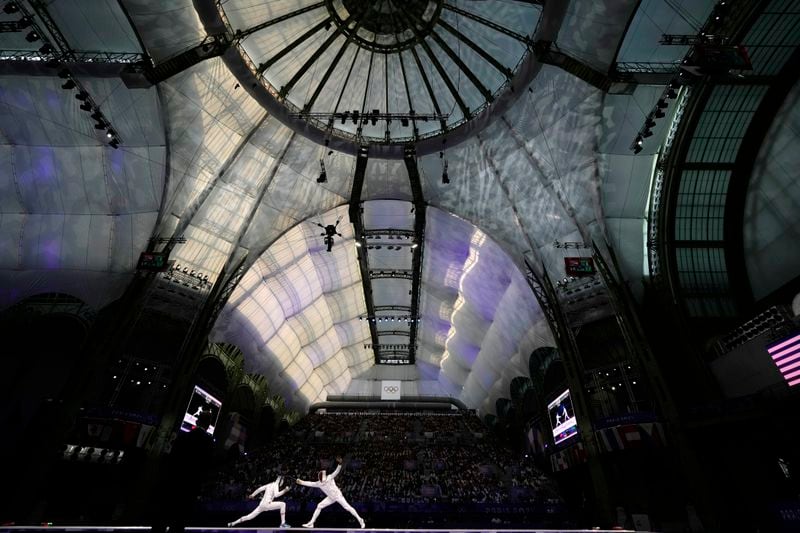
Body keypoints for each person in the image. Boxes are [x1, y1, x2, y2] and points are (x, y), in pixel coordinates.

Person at [297, 456, 365, 528]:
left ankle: (360, 520)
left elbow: (336, 472)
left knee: (347, 507)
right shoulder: (319, 483)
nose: (323, 481)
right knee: (319, 506)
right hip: (331, 498)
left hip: (338, 496)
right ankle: (311, 523)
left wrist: (340, 464)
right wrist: (301, 482)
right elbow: (310, 483)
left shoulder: (330, 477)